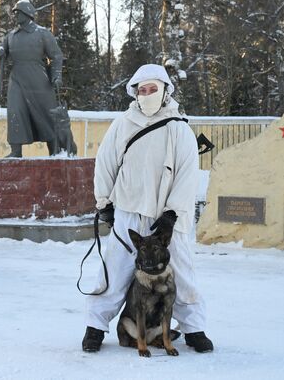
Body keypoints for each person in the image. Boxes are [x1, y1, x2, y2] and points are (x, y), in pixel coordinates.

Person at [82, 64, 214, 353]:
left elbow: (187, 174)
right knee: (113, 272)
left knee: (180, 272)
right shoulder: (123, 124)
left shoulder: (179, 127)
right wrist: (104, 203)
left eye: (152, 88)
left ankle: (193, 328)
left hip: (167, 219)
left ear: (165, 91)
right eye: (141, 90)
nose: (146, 95)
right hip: (129, 211)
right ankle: (94, 327)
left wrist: (172, 213)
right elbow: (105, 164)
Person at [0, 0, 75, 157]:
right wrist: (0, 51)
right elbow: (4, 47)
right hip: (16, 79)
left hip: (39, 80)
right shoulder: (11, 35)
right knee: (15, 112)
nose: (15, 15)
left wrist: (56, 76)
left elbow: (56, 56)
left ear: (27, 14)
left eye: (18, 12)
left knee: (47, 114)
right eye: (14, 12)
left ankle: (56, 149)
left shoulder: (42, 33)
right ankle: (16, 151)